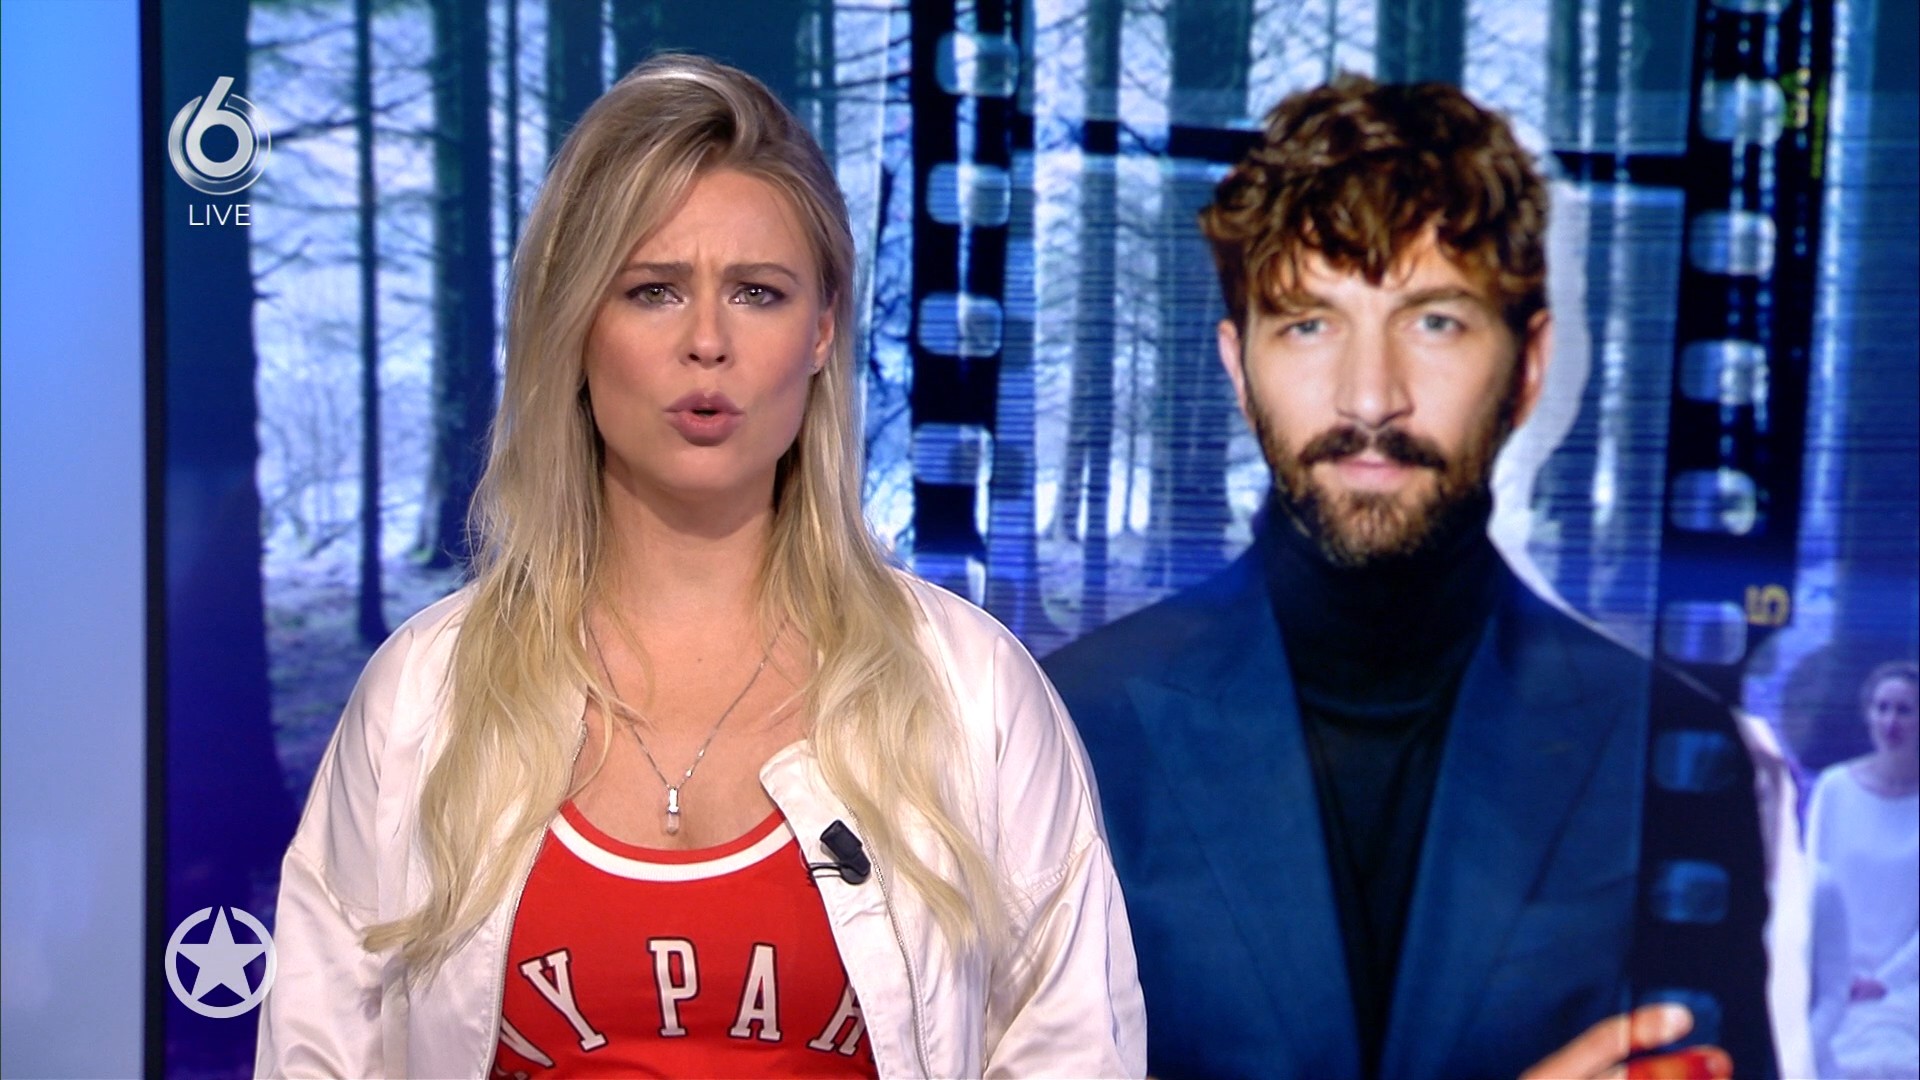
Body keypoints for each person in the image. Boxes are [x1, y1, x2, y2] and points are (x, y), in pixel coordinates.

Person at [255, 54, 1144, 1079]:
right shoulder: (424, 695)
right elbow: (321, 1054)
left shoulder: (970, 691)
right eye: (654, 291)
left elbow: (1073, 1049)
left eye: (758, 293)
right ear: (575, 325)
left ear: (821, 331)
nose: (708, 342)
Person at [1044, 75, 1781, 1080]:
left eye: (1434, 321)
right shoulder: (1073, 728)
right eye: (1309, 322)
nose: (1370, 397)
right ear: (1238, 367)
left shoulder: (1671, 749)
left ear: (1528, 365)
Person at [1807, 661, 1918, 1078]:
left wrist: (1886, 981)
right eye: (1882, 708)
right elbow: (1811, 887)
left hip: (1906, 992)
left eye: (1904, 710)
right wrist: (1834, 979)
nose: (1891, 721)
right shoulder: (1834, 787)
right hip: (1830, 985)